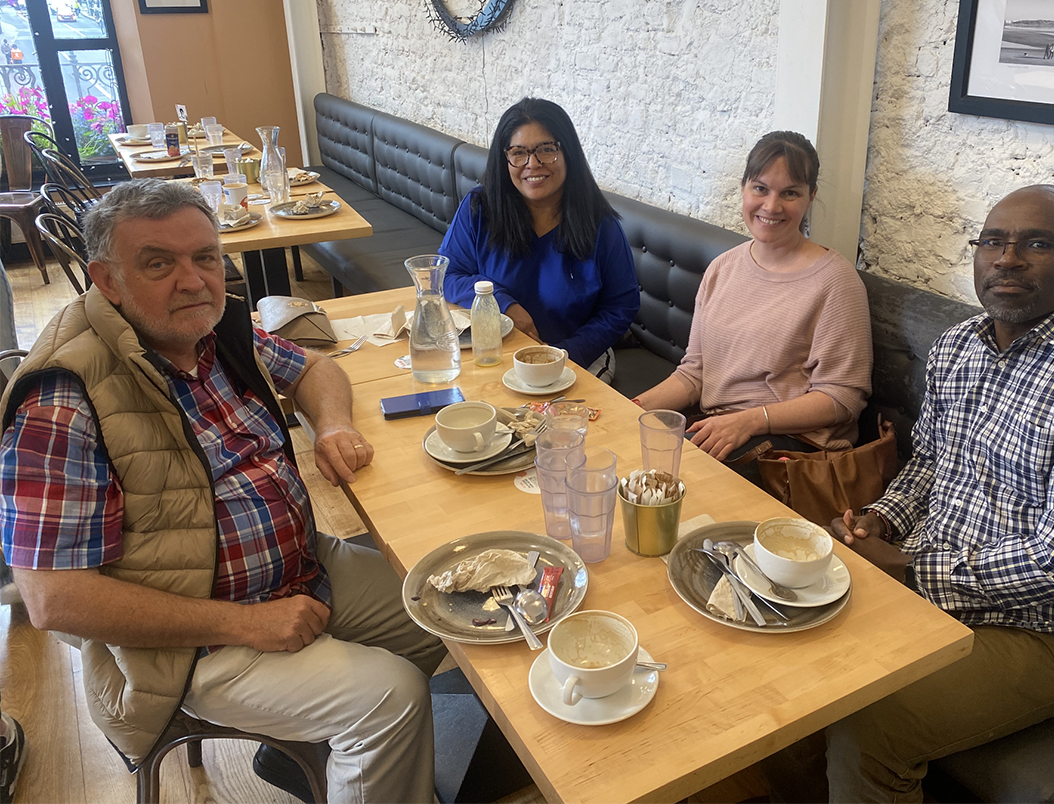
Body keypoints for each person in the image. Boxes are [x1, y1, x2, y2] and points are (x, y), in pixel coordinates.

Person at [0, 180, 446, 804]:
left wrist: (334, 425)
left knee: (444, 608)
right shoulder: (62, 395)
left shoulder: (210, 331)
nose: (192, 281)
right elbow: (52, 600)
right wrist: (246, 623)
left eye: (205, 257)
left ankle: (325, 748)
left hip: (299, 567)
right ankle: (357, 743)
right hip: (186, 645)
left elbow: (315, 367)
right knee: (390, 697)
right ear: (107, 279)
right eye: (158, 263)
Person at [762, 184, 1054, 804]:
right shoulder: (960, 347)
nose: (1007, 258)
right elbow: (933, 462)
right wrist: (881, 518)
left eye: (1038, 243)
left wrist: (907, 565)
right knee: (784, 658)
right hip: (936, 585)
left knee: (870, 720)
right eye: (993, 241)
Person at [633, 131, 872, 473]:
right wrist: (632, 408)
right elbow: (695, 373)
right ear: (744, 188)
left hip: (793, 447)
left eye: (790, 193)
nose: (772, 206)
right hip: (722, 427)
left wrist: (750, 421)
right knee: (626, 452)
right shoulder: (723, 268)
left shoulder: (835, 281)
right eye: (760, 188)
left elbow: (841, 399)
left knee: (666, 481)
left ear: (810, 197)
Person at [438, 98, 640, 382]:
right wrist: (503, 304)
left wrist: (564, 354)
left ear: (568, 152)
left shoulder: (600, 225)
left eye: (547, 150)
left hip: (575, 356)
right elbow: (447, 275)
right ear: (504, 158)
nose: (532, 164)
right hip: (495, 353)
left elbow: (621, 306)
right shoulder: (480, 208)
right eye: (518, 153)